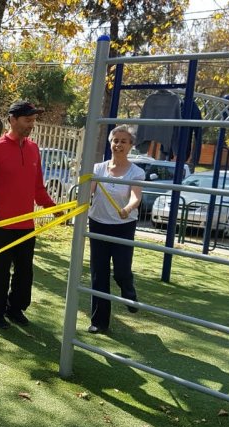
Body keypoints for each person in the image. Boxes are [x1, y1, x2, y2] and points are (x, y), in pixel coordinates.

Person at [0, 100, 57, 329]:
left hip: (26, 223)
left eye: (33, 120)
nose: (32, 124)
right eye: (27, 120)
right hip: (0, 222)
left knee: (24, 272)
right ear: (12, 120)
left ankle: (15, 308)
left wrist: (53, 207)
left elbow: (38, 187)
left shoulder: (33, 149)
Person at [86, 125, 145, 334]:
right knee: (98, 274)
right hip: (98, 224)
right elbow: (88, 191)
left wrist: (128, 208)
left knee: (121, 270)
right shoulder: (98, 168)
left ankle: (128, 292)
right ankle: (99, 322)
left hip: (123, 226)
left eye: (123, 141)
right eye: (115, 140)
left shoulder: (136, 172)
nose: (118, 145)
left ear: (131, 146)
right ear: (110, 143)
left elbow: (136, 196)